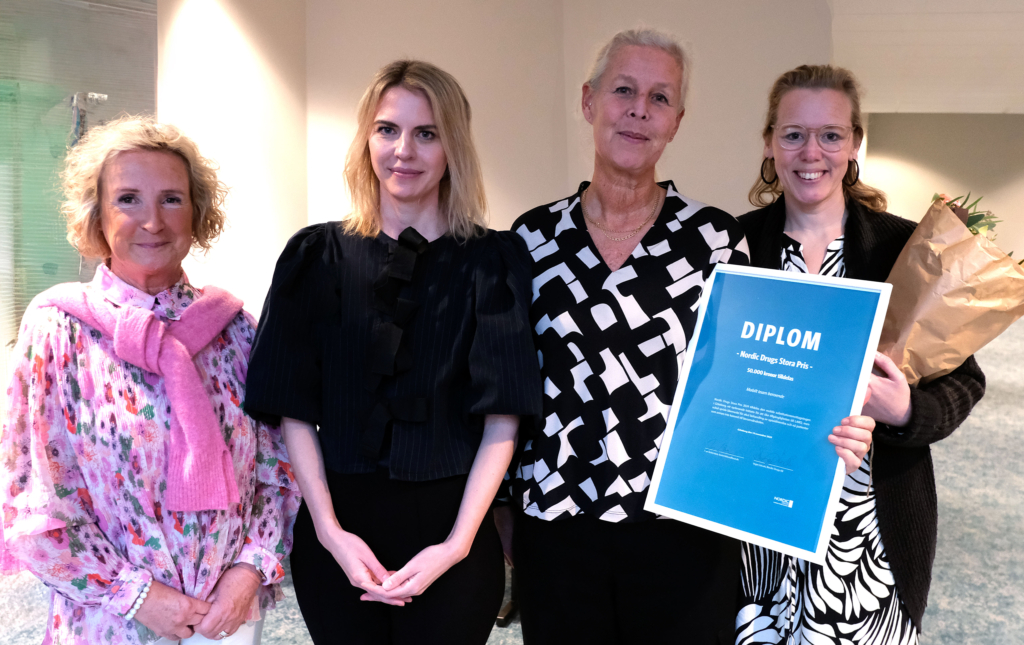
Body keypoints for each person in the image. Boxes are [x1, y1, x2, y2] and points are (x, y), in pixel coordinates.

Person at [495, 29, 876, 645]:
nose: (639, 110)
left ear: (676, 121)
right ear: (589, 101)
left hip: (683, 527)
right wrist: (502, 505)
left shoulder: (716, 240)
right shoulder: (531, 238)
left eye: (660, 98)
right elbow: (508, 384)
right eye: (624, 91)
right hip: (556, 525)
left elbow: (753, 381)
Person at [242, 60, 541, 645]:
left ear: (453, 146)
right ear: (366, 139)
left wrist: (456, 545)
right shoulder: (315, 255)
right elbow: (291, 409)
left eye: (427, 133)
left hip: (453, 535)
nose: (404, 150)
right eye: (387, 130)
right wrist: (330, 533)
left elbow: (503, 418)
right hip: (337, 532)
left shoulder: (491, 261)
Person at [0, 116, 301, 645]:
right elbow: (31, 500)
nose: (153, 221)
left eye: (171, 199)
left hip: (227, 618)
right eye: (128, 199)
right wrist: (139, 597)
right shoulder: (57, 328)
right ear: (97, 215)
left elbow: (276, 471)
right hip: (108, 620)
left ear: (197, 213)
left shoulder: (236, 331)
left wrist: (248, 573)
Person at [735, 65, 986, 645]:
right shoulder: (731, 245)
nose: (811, 152)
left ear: (854, 145)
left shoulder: (905, 248)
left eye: (831, 134)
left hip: (865, 535)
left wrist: (905, 411)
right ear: (770, 143)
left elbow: (965, 381)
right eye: (793, 134)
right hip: (755, 524)